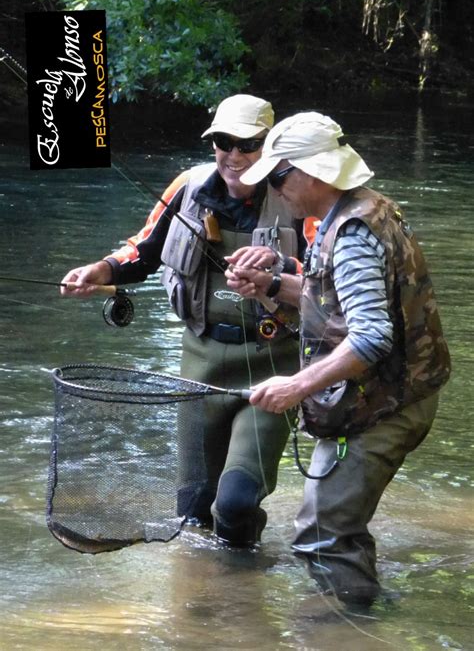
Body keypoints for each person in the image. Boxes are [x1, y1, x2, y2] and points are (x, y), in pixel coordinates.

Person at [60, 95, 312, 547]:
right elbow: (143, 248)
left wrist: (277, 275)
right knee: (193, 513)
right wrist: (101, 270)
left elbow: (327, 285)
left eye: (247, 144)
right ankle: (199, 603)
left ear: (269, 146)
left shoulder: (297, 197)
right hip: (199, 364)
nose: (233, 156)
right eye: (223, 141)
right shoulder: (189, 186)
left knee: (235, 503)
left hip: (274, 367)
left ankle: (243, 595)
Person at [225, 111, 451, 603]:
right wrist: (271, 284)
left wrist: (295, 386)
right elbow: (333, 299)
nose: (276, 189)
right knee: (333, 528)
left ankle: (350, 629)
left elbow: (370, 338)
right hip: (403, 394)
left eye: (280, 176)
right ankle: (364, 607)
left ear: (315, 173)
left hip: (385, 405)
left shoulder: (350, 235)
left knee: (321, 533)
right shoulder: (364, 208)